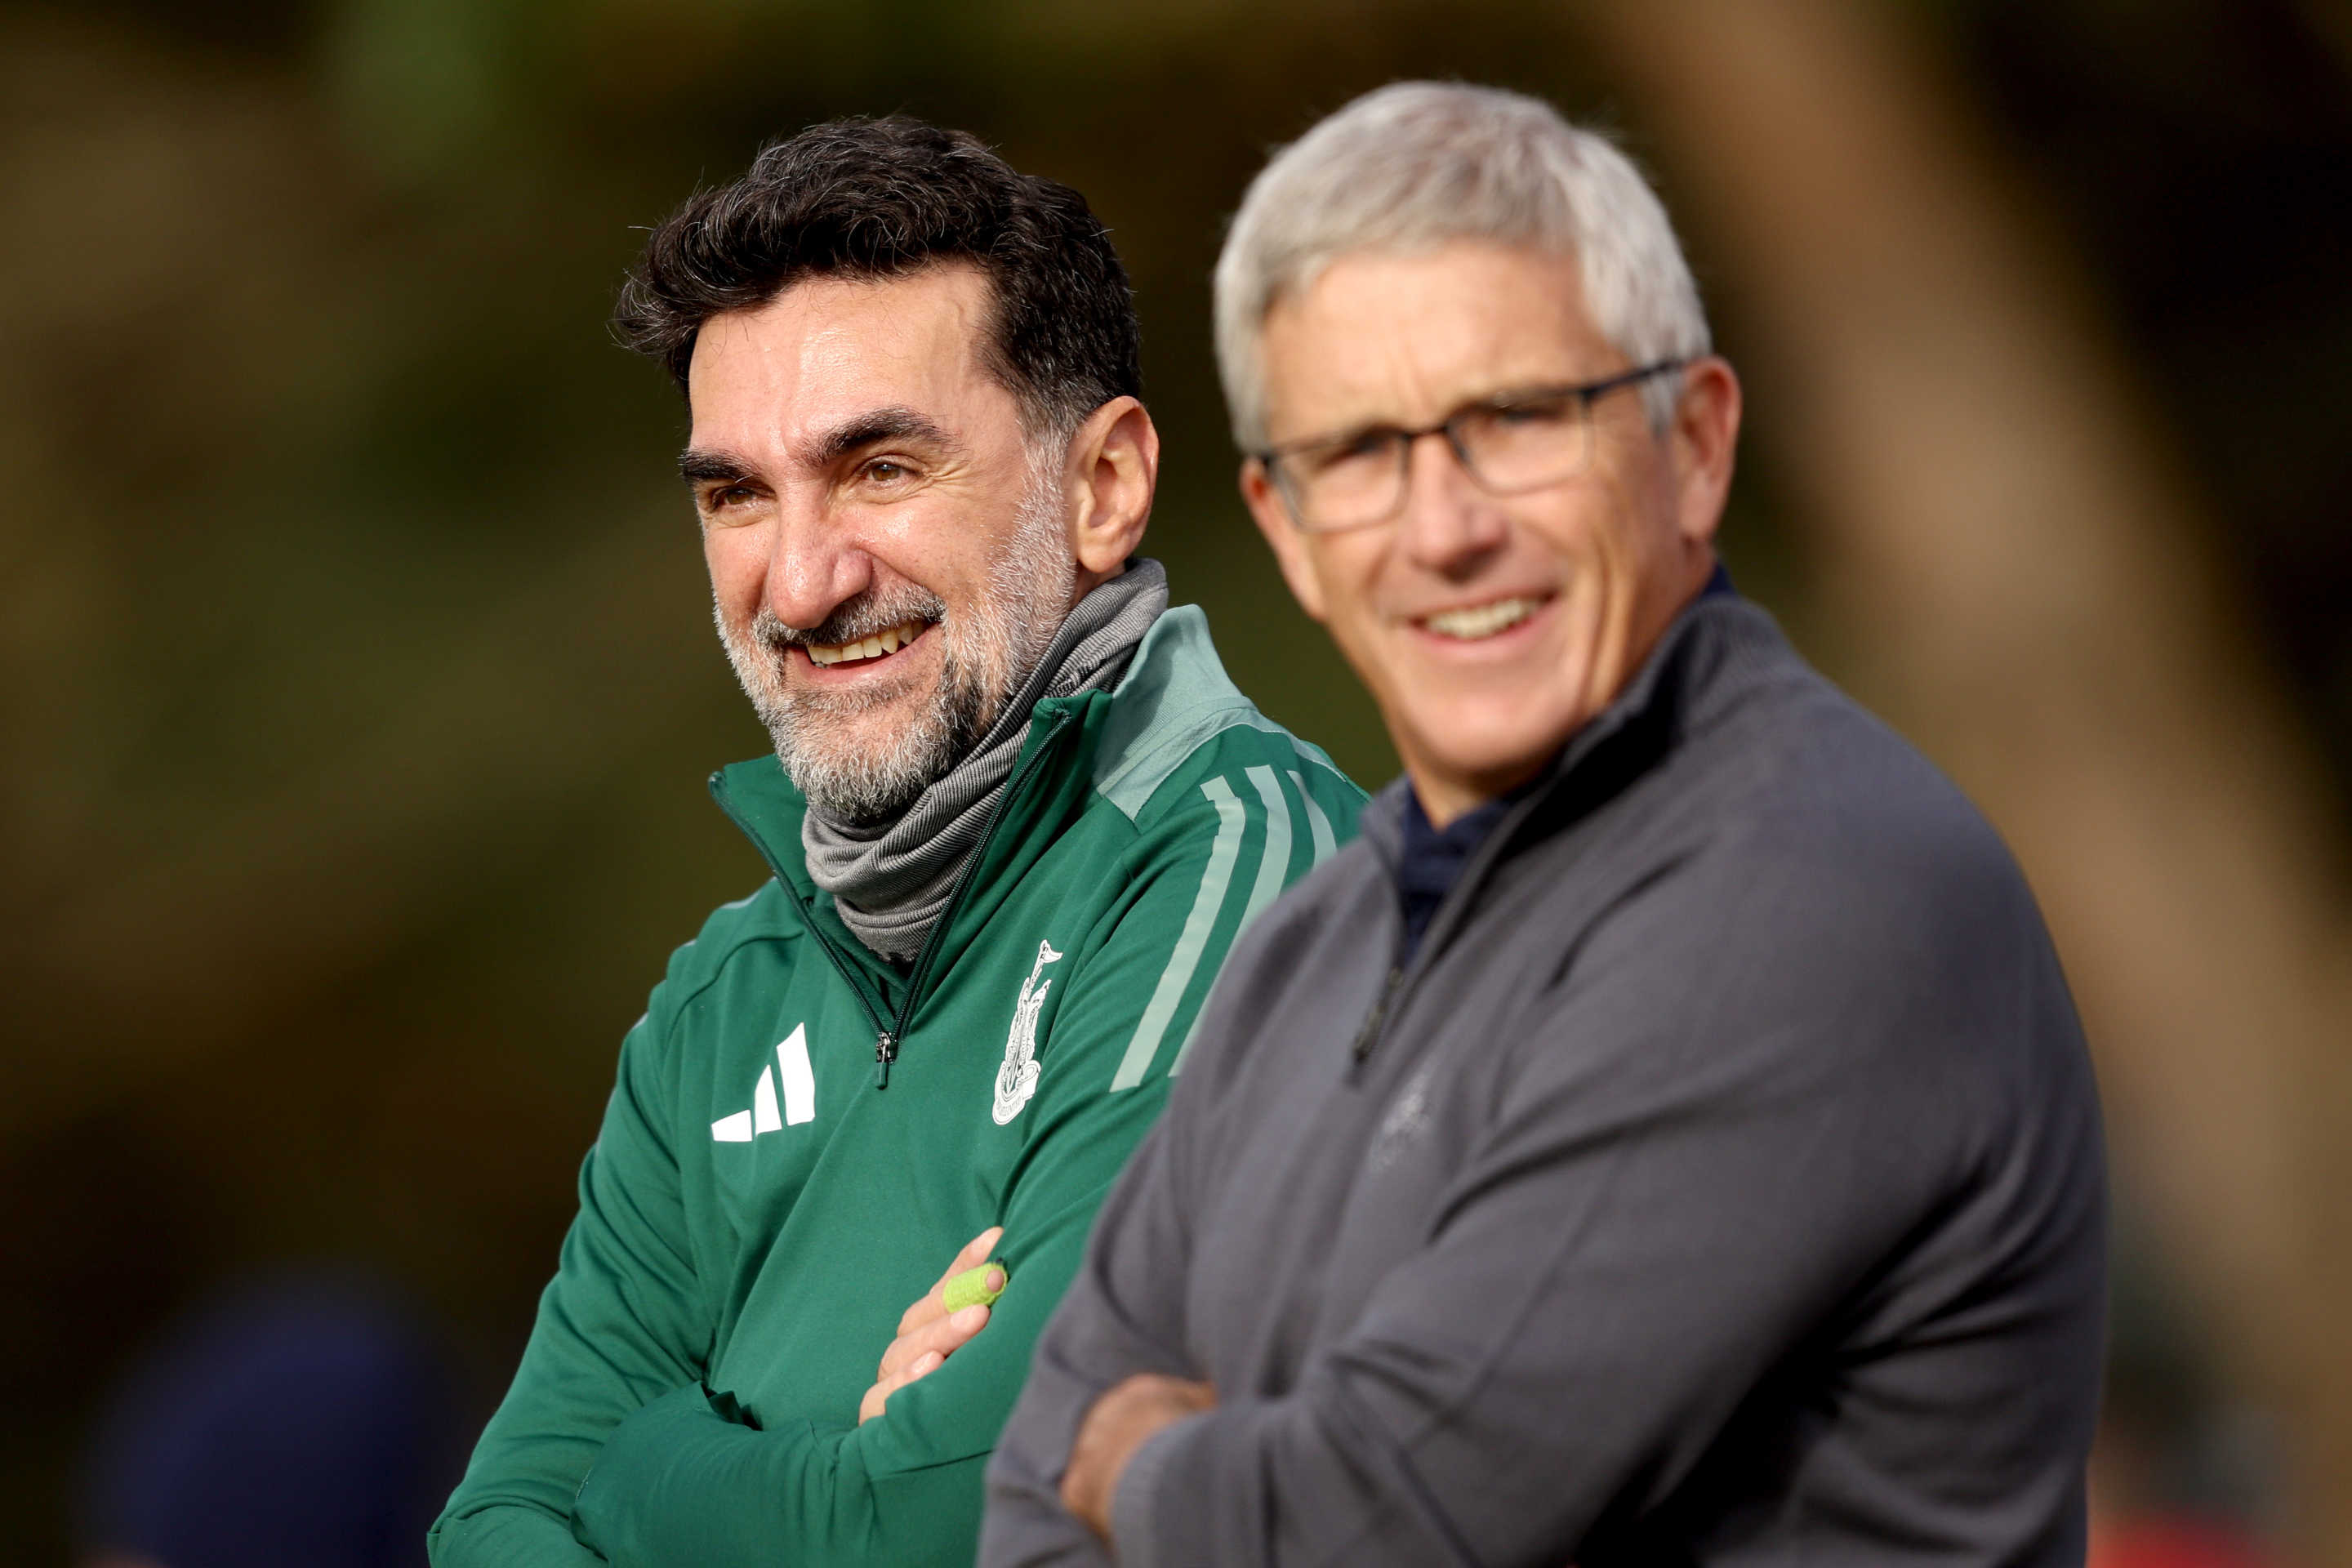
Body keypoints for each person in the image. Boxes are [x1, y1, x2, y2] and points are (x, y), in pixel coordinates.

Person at [981, 81, 2106, 1567]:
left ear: (1694, 446)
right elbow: (1024, 1496)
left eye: (1513, 420)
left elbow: (1376, 1525)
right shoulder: (1312, 937)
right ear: (1289, 534)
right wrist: (1149, 1476)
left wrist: (1139, 1472)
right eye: (1364, 453)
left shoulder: (1815, 892)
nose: (1446, 528)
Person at [427, 116, 1362, 1567]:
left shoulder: (1251, 874)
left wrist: (652, 1469)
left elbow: (976, 1499)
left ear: (1104, 486)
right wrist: (846, 1476)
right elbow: (491, 1527)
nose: (800, 580)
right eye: (736, 494)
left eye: (878, 469)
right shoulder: (716, 1006)